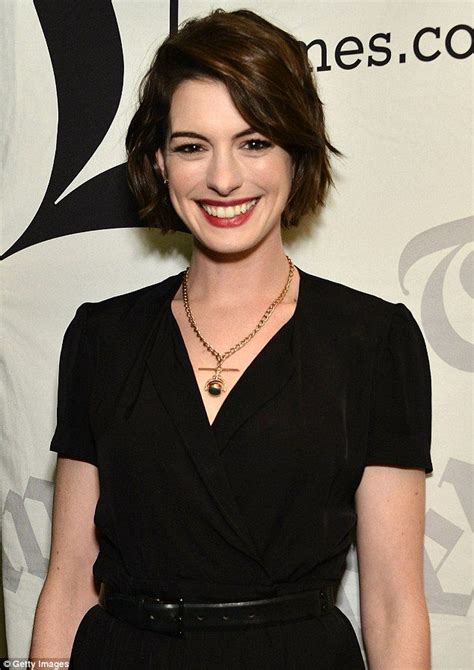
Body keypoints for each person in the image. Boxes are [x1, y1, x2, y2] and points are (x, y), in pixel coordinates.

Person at [30, 8, 433, 669]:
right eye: (192, 146)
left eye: (254, 142)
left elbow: (392, 601)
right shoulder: (102, 338)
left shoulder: (371, 341)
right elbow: (70, 579)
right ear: (158, 162)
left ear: (296, 154)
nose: (223, 179)